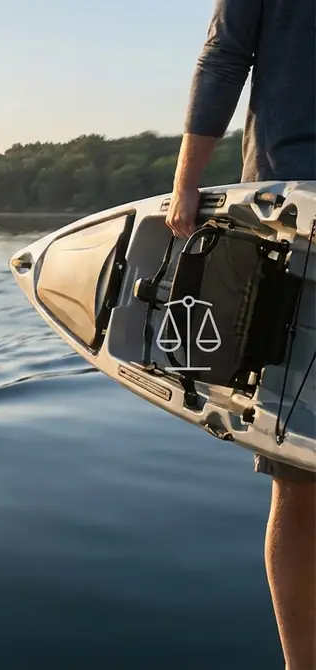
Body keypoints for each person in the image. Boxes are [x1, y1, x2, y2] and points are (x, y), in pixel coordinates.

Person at [164, 1, 316, 667]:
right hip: (295, 218)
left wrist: (187, 187)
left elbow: (226, 56)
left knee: (302, 474)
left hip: (294, 218)